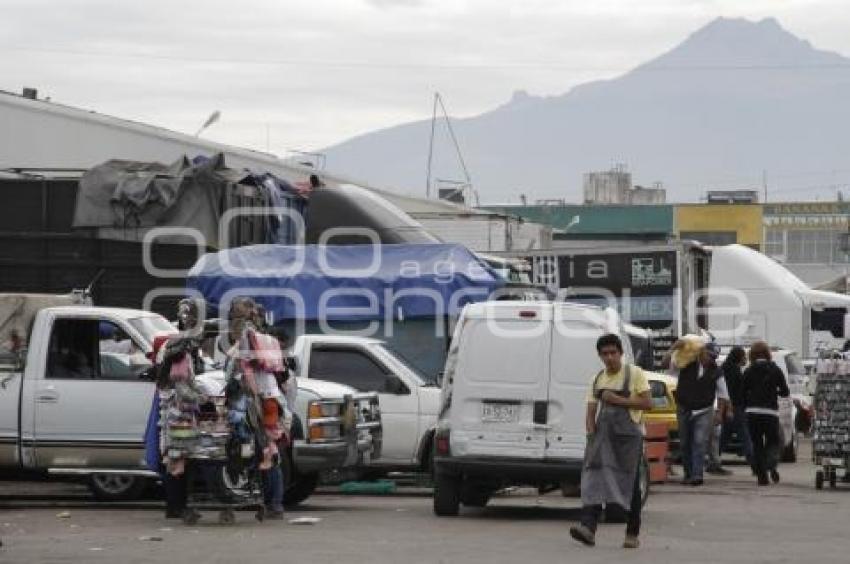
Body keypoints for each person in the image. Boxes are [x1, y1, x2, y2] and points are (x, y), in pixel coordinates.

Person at [570, 334, 652, 550]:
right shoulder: (597, 378)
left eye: (613, 353)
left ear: (620, 353)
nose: (609, 358)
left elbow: (647, 402)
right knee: (593, 477)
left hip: (628, 439)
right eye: (604, 354)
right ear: (600, 356)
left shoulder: (634, 374)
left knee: (629, 482)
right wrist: (590, 433)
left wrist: (619, 400)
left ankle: (632, 533)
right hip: (602, 437)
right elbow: (590, 410)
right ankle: (588, 528)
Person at [669, 340, 730, 486]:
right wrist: (673, 349)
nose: (711, 359)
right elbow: (668, 366)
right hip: (684, 407)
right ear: (702, 352)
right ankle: (688, 474)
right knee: (684, 442)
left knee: (699, 441)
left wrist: (719, 414)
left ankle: (697, 475)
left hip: (704, 410)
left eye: (714, 357)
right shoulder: (687, 363)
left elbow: (723, 395)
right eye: (709, 355)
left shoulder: (717, 371)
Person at [742, 341, 790, 486]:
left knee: (756, 443)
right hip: (770, 412)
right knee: (773, 441)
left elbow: (742, 392)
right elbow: (785, 391)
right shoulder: (775, 370)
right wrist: (775, 391)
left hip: (752, 412)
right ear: (767, 354)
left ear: (752, 355)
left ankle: (761, 476)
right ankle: (771, 465)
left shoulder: (748, 371)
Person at [720, 346, 753, 467]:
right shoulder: (735, 371)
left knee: (725, 434)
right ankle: (753, 460)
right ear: (739, 357)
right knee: (744, 434)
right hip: (736, 407)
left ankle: (713, 458)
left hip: (727, 406)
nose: (745, 358)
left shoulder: (725, 368)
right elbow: (736, 391)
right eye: (744, 356)